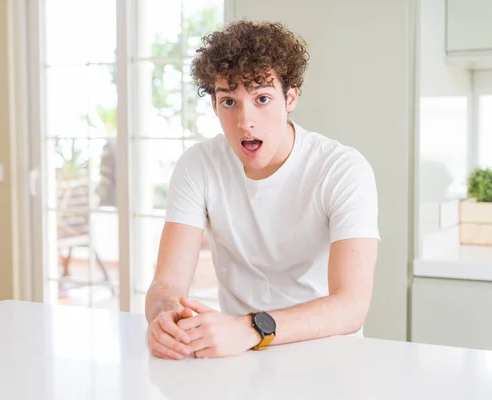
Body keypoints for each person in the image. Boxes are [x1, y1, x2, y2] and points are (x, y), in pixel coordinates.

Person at [145, 20, 380, 360]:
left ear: (291, 98)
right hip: (239, 356)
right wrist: (165, 316)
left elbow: (351, 306)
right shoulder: (197, 165)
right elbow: (165, 285)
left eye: (262, 98)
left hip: (327, 355)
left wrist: (252, 328)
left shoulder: (342, 169)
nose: (245, 121)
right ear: (214, 105)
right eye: (229, 102)